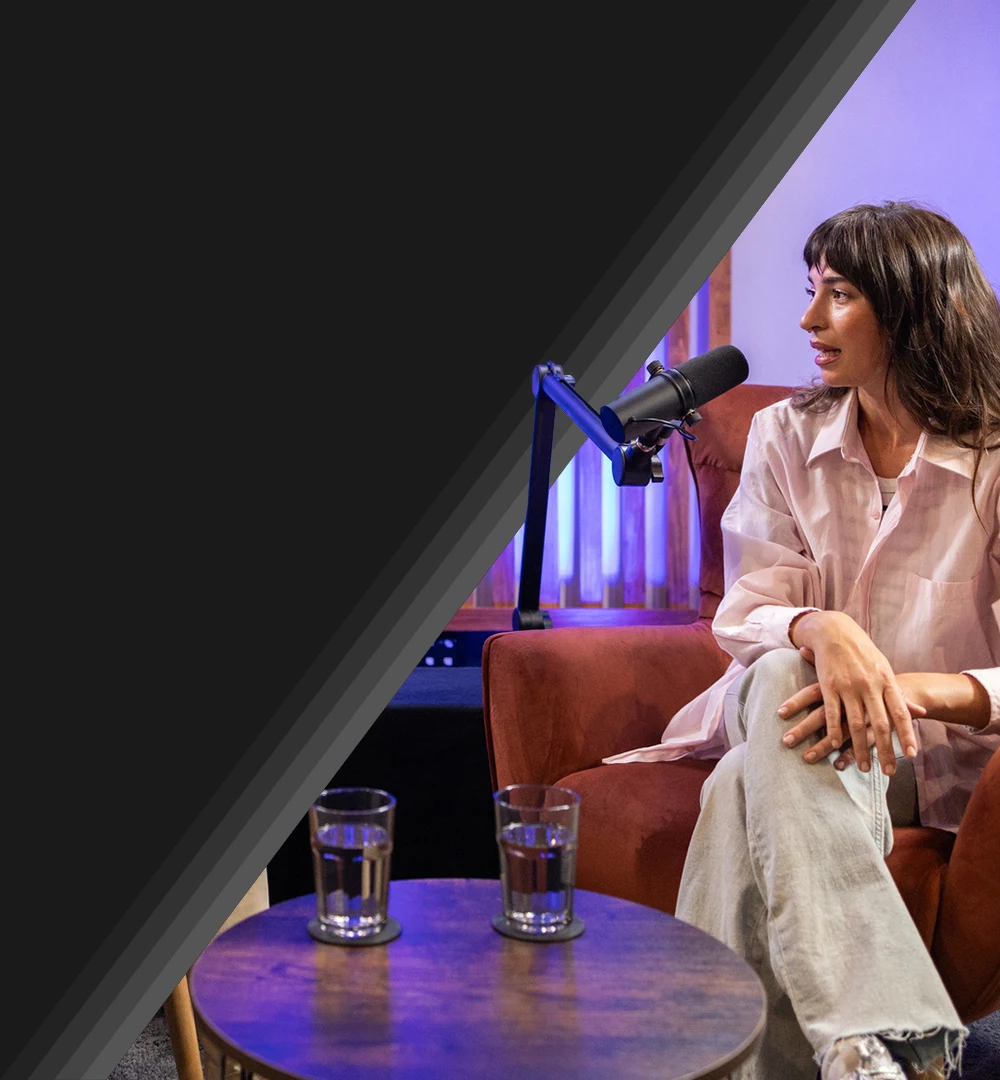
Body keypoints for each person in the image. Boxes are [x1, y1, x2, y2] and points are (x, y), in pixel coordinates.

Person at [669, 202, 1000, 1080]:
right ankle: (887, 1039)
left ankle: (711, 1057)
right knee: (783, 663)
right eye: (810, 292)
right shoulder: (785, 433)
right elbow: (747, 613)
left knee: (747, 783)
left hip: (912, 756)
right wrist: (826, 628)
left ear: (916, 308)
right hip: (783, 698)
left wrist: (903, 689)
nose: (809, 320)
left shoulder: (996, 456)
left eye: (840, 295)